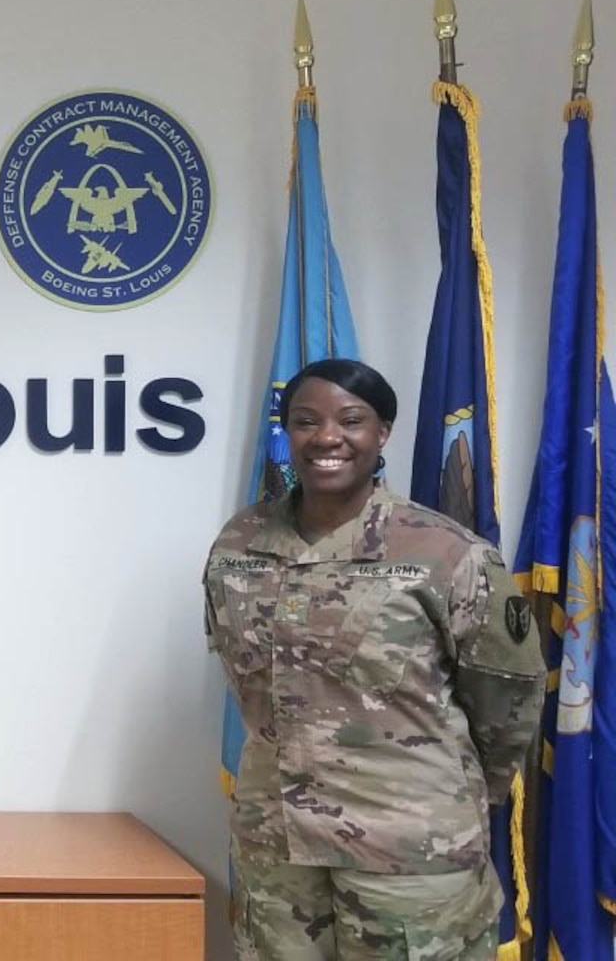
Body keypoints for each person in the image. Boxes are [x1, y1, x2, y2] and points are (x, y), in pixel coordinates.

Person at [204, 358, 543, 960]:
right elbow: (245, 678)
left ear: (382, 431)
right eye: (306, 421)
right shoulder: (239, 544)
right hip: (277, 846)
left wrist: (453, 794)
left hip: (409, 851)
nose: (327, 437)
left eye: (350, 420)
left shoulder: (446, 552)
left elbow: (507, 698)